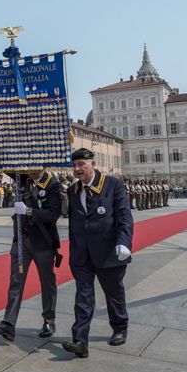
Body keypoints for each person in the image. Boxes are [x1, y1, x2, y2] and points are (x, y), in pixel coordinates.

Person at [62, 148, 133, 358]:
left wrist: (124, 242)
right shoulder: (73, 190)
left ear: (93, 164)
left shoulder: (113, 184)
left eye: (81, 164)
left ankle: (120, 327)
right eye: (74, 165)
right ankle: (80, 340)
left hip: (108, 251)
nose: (77, 169)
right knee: (83, 297)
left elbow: (124, 216)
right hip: (82, 254)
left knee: (114, 294)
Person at [0, 169, 62, 342]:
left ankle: (49, 320)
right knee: (16, 281)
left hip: (43, 241)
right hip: (22, 239)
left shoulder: (53, 185)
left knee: (47, 282)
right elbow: (7, 166)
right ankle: (8, 323)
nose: (29, 169)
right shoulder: (24, 179)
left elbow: (53, 214)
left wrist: (29, 211)